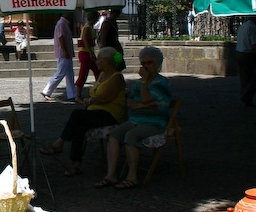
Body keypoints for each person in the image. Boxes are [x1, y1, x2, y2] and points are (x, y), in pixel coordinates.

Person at [95, 44, 172, 190]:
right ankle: (111, 175)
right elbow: (130, 103)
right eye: (143, 63)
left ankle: (132, 177)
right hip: (136, 119)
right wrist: (144, 105)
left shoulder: (161, 83)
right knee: (114, 134)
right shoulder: (139, 84)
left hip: (154, 122)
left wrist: (144, 87)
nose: (146, 66)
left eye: (149, 63)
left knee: (131, 136)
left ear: (157, 64)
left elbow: (146, 100)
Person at [40, 46, 127, 175]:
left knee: (77, 115)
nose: (96, 61)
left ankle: (59, 143)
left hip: (110, 114)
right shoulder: (102, 75)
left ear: (106, 61)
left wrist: (89, 101)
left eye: (99, 59)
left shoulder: (116, 77)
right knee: (79, 126)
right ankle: (76, 163)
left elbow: (106, 97)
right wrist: (89, 101)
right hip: (95, 112)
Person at [41, 12, 76, 102]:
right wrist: (65, 51)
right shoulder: (61, 24)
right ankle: (46, 91)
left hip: (67, 52)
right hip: (63, 53)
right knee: (61, 73)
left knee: (70, 73)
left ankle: (72, 94)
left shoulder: (65, 23)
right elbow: (61, 38)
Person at [235, 18, 256, 99]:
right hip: (248, 54)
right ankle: (247, 95)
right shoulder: (253, 27)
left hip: (239, 52)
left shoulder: (242, 26)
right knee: (255, 76)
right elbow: (255, 45)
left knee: (244, 77)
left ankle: (245, 94)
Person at [76, 11, 99, 91]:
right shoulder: (87, 28)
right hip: (86, 53)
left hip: (88, 52)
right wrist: (91, 53)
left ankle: (98, 88)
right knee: (83, 74)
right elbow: (85, 40)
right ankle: (78, 93)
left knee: (97, 71)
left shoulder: (90, 27)